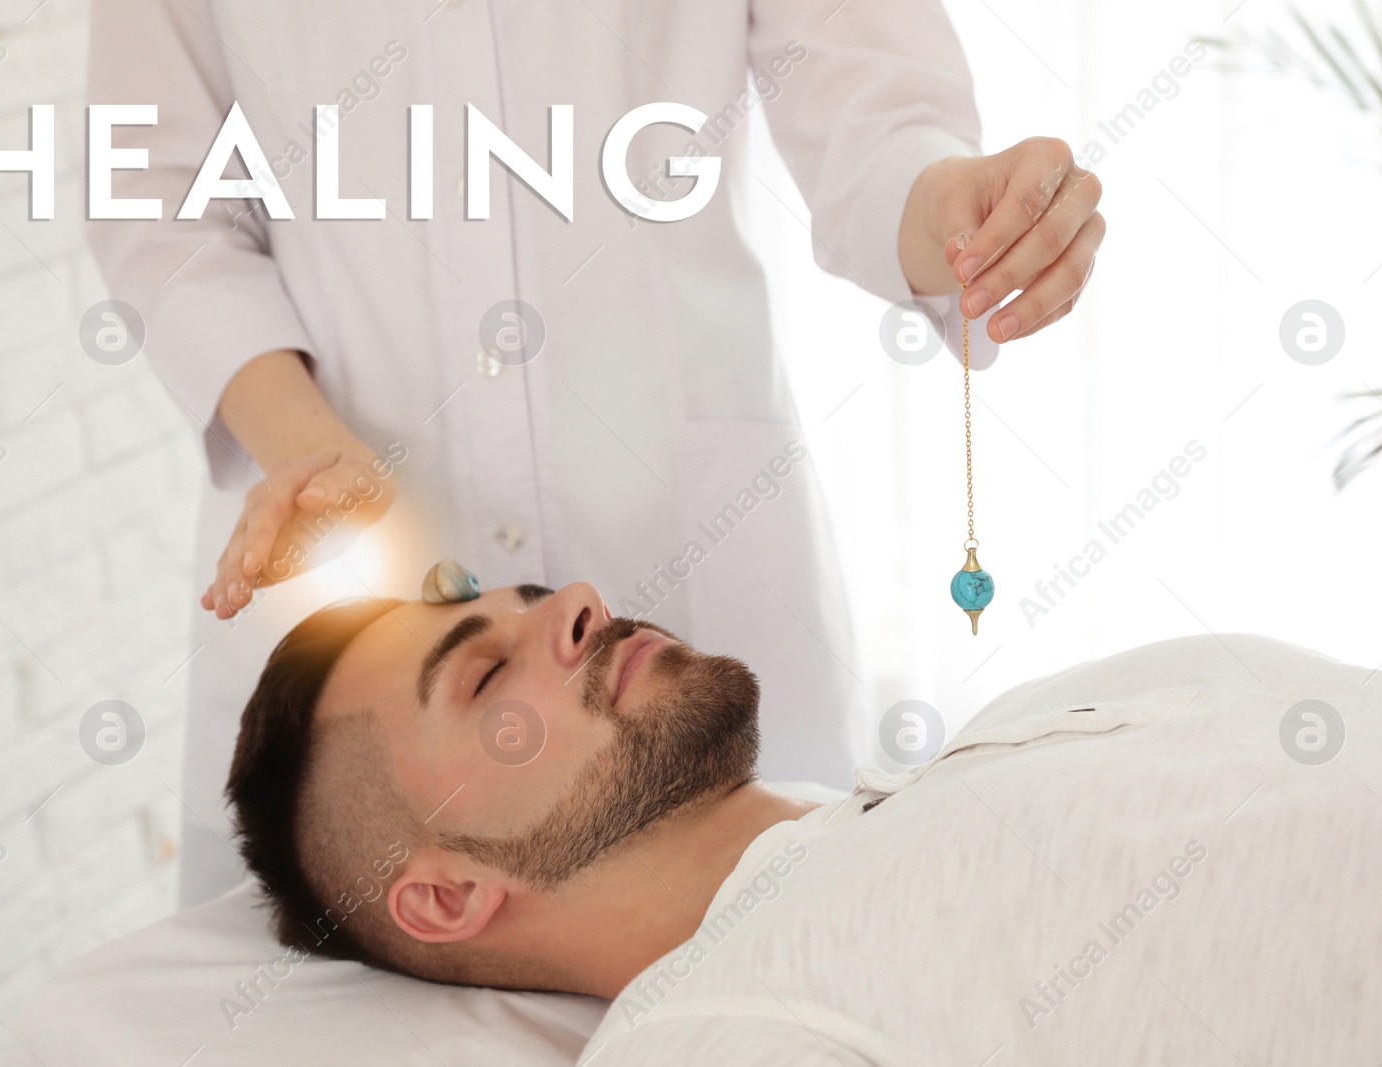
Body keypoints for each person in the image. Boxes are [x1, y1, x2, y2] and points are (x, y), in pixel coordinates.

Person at [86, 0, 1106, 905]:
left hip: (686, 543)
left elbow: (865, 105)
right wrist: (301, 443)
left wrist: (958, 213)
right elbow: (156, 191)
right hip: (343, 587)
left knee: (772, 960)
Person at [227, 580, 1382, 1064]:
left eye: (525, 596)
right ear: (446, 894)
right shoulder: (726, 1031)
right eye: (485, 672)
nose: (575, 599)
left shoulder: (1003, 726)